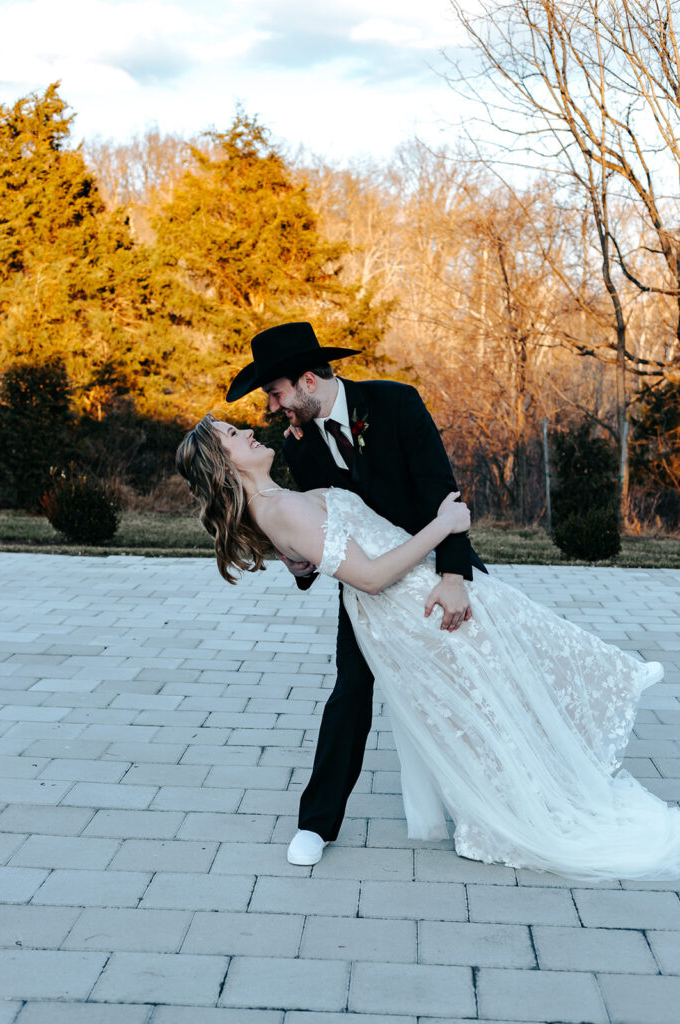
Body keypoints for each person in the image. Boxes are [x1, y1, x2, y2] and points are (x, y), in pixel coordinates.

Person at [176, 413, 680, 881]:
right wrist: (443, 526)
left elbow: (324, 542)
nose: (246, 430)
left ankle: (551, 776)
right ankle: (534, 799)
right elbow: (370, 577)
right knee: (488, 692)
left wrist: (300, 556)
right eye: (230, 434)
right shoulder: (278, 504)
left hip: (418, 592)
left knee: (495, 683)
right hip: (409, 605)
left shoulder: (278, 495)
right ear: (221, 463)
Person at [224, 321, 488, 867]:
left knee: (471, 686)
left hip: (436, 573)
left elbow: (444, 492)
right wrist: (299, 566)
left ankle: (490, 806)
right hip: (368, 592)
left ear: (306, 380)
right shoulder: (297, 447)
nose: (273, 410)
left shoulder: (396, 404)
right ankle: (317, 825)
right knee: (350, 693)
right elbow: (321, 536)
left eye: (275, 394)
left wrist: (454, 576)